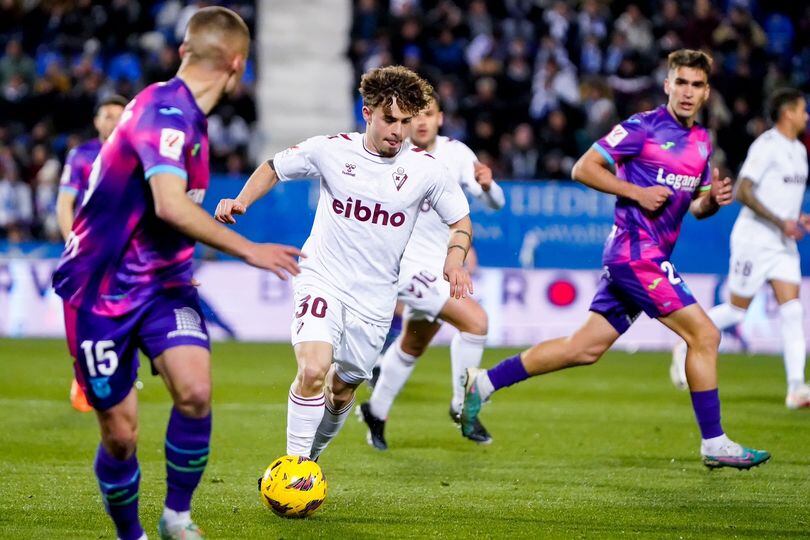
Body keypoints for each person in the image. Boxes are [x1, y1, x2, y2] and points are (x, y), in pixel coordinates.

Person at [52, 8, 302, 540]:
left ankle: (177, 519)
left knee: (195, 391)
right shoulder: (165, 112)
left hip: (165, 285)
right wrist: (248, 250)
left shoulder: (187, 116)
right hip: (100, 290)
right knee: (120, 435)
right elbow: (169, 204)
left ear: (185, 50)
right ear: (238, 64)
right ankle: (131, 535)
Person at [459, 49, 771, 470]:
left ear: (706, 91)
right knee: (705, 336)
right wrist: (637, 193)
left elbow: (695, 207)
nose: (687, 92)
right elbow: (584, 168)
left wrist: (712, 201)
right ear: (667, 84)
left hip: (647, 256)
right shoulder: (643, 127)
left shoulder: (701, 142)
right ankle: (714, 442)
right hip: (635, 253)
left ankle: (484, 382)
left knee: (583, 348)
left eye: (696, 85)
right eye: (680, 82)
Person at [215, 65, 474, 462]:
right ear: (367, 113)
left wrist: (454, 261)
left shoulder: (426, 169)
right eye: (390, 120)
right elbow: (274, 167)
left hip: (375, 301)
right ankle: (294, 467)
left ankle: (311, 460)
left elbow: (460, 222)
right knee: (313, 369)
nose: (398, 131)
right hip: (323, 279)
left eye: (406, 122)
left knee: (341, 391)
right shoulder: (331, 150)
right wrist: (242, 200)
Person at [358, 93, 505, 449]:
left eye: (429, 114)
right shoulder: (393, 151)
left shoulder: (456, 154)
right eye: (414, 115)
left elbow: (495, 203)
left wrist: (488, 186)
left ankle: (375, 411)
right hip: (402, 266)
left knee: (413, 342)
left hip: (439, 267)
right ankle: (461, 404)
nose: (421, 122)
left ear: (440, 118)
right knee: (476, 322)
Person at [670, 88, 810, 409]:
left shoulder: (799, 151)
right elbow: (744, 191)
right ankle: (685, 341)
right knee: (736, 310)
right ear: (787, 113)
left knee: (793, 311)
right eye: (803, 109)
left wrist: (797, 218)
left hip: (782, 243)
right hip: (755, 239)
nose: (806, 115)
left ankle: (796, 388)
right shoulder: (767, 146)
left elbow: (782, 195)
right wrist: (780, 222)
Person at [56, 93, 128, 413]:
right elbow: (63, 203)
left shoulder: (139, 153)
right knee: (79, 319)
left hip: (127, 252)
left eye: (119, 115)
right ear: (96, 121)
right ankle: (81, 374)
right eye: (107, 115)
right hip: (86, 250)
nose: (113, 121)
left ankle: (114, 375)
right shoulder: (82, 155)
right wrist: (74, 243)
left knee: (123, 319)